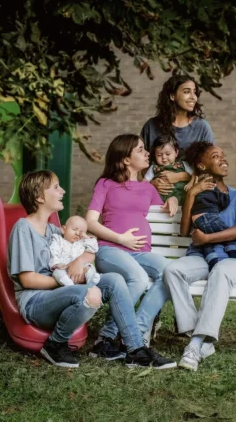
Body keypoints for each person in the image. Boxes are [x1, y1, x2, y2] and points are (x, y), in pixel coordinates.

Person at [7, 170, 175, 369]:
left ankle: (135, 349)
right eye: (56, 187)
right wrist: (68, 279)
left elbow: (89, 247)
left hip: (62, 291)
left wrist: (79, 260)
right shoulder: (23, 229)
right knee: (91, 293)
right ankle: (55, 344)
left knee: (114, 280)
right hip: (36, 301)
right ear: (39, 196)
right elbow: (28, 280)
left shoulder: (55, 230)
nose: (63, 191)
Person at [85, 134, 179, 360]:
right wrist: (120, 239)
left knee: (171, 273)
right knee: (137, 277)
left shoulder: (147, 188)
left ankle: (134, 327)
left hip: (141, 253)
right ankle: (106, 337)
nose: (147, 153)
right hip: (111, 249)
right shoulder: (106, 184)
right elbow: (90, 221)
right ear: (126, 159)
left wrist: (173, 199)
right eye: (140, 149)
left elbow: (164, 205)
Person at [163, 141, 236, 371]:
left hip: (233, 259)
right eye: (216, 156)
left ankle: (195, 345)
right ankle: (198, 333)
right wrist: (192, 193)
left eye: (223, 155)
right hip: (201, 257)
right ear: (202, 166)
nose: (223, 159)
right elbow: (184, 231)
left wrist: (208, 239)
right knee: (173, 271)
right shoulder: (195, 194)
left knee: (221, 271)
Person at [140, 74, 214, 200]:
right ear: (172, 96)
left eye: (195, 92)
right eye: (186, 92)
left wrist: (181, 176)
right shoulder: (151, 126)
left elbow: (209, 168)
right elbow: (140, 164)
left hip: (192, 198)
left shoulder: (202, 127)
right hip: (156, 198)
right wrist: (151, 184)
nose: (193, 98)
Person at [49, 215, 100, 287]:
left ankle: (91, 281)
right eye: (74, 229)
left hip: (80, 270)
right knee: (57, 272)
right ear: (64, 229)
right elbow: (53, 252)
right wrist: (56, 264)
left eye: (81, 232)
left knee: (89, 267)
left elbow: (94, 249)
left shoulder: (82, 242)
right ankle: (68, 284)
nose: (77, 233)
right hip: (64, 268)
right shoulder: (58, 240)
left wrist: (86, 237)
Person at [144, 135, 193, 204]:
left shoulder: (183, 164)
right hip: (160, 200)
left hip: (181, 198)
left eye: (168, 154)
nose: (164, 157)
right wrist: (152, 183)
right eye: (159, 155)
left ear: (176, 153)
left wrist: (190, 182)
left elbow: (195, 174)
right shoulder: (153, 167)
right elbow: (144, 182)